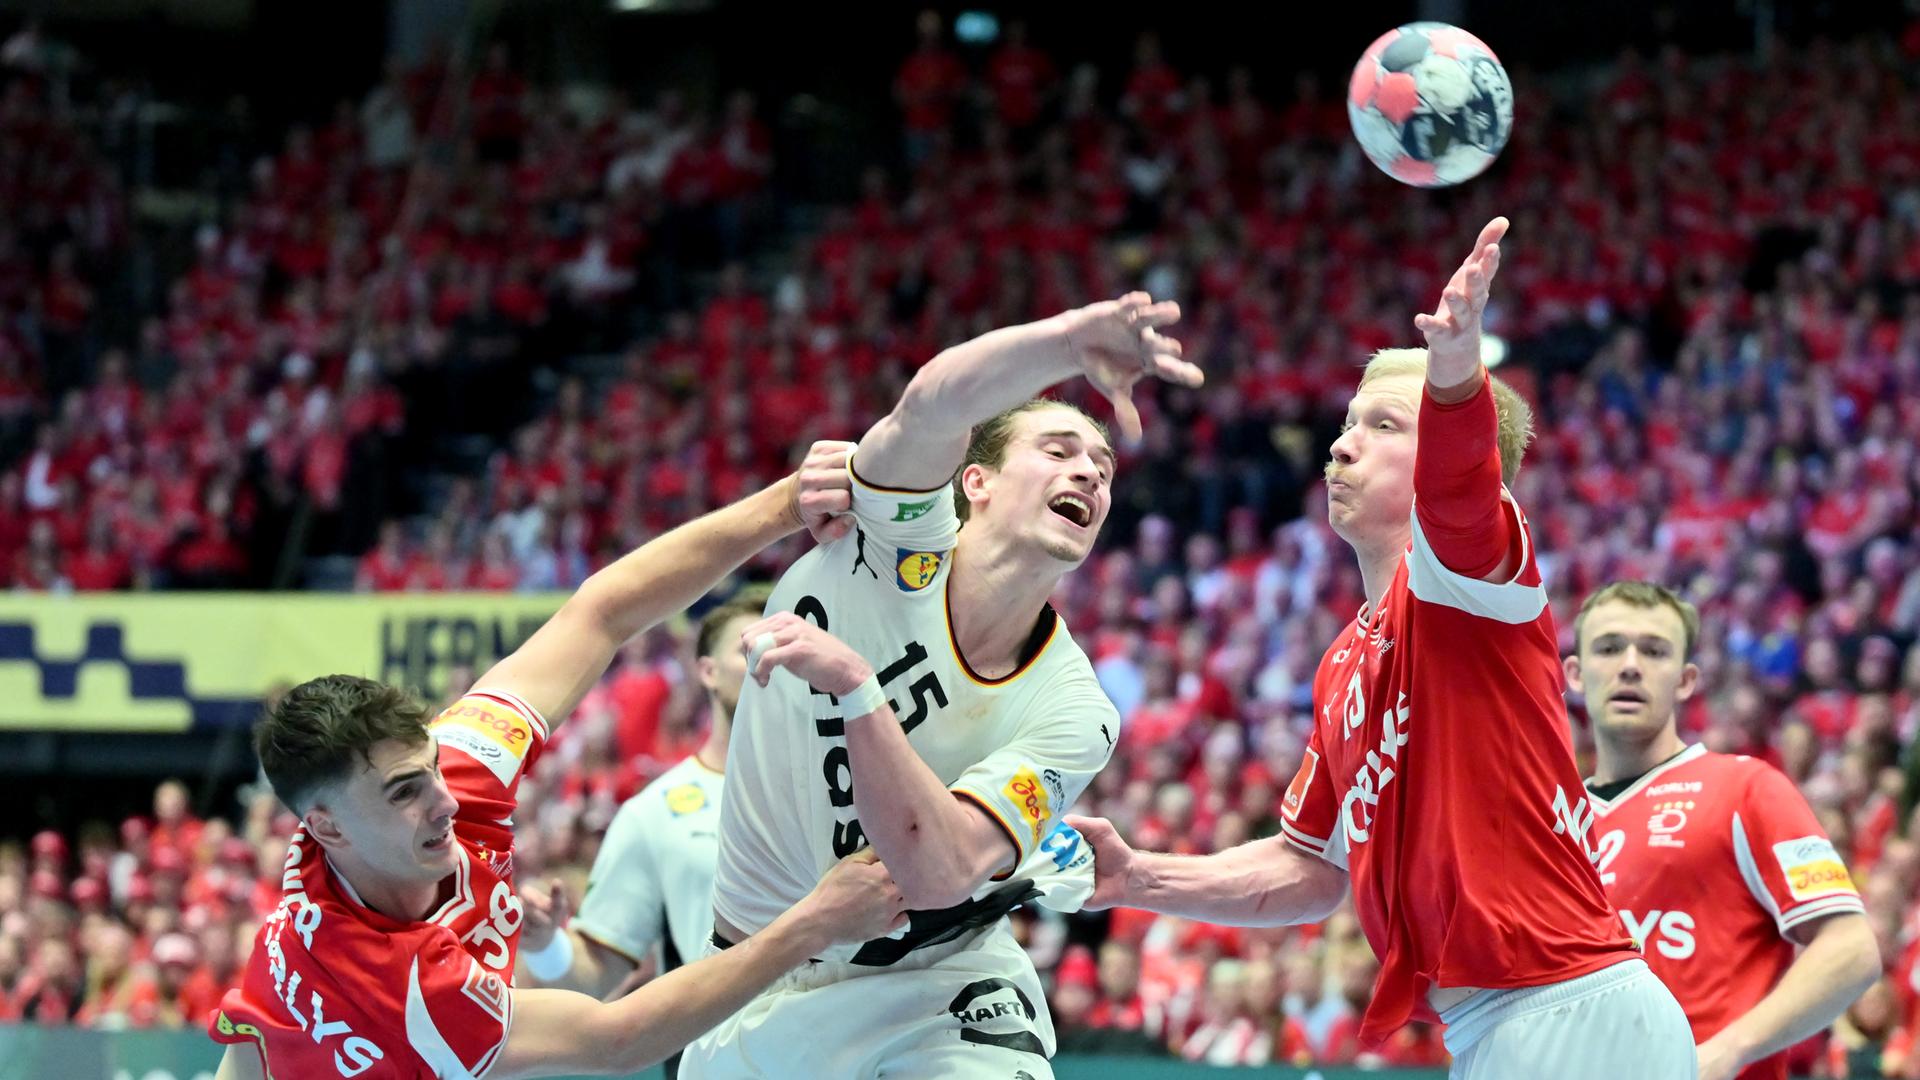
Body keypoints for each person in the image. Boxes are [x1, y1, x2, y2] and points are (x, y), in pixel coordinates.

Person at [1068, 219, 1698, 1079]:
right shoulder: (1341, 664)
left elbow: (1461, 485)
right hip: (1494, 1026)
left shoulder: (1469, 585)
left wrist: (1455, 365)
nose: (1340, 444)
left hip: (1570, 1006)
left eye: (1383, 424)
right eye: (1347, 423)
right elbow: (1307, 868)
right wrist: (1138, 877)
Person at [208, 449, 909, 1080]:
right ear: (327, 828)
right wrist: (816, 922)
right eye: (403, 793)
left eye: (431, 768)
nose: (444, 802)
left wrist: (785, 503)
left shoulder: (459, 769)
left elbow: (601, 613)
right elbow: (619, 1039)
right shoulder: (397, 987)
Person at [681, 292, 1201, 1078]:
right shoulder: (896, 533)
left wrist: (859, 691)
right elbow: (931, 404)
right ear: (976, 482)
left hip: (941, 983)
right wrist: (1068, 342)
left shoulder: (1076, 707)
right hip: (759, 973)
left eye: (1102, 469)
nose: (1088, 473)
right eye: (1058, 450)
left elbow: (938, 871)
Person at [1569, 580, 1880, 1080]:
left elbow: (1852, 949)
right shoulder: (1552, 821)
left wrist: (1730, 1049)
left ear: (1686, 680)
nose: (1629, 665)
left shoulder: (1746, 788)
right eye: (1608, 648)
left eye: (1654, 650)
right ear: (1575, 674)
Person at [515, 586, 773, 1078]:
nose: (773, 659)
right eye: (750, 647)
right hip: (726, 1065)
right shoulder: (655, 812)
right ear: (706, 672)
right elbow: (595, 975)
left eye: (787, 643)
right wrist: (545, 944)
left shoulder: (853, 784)